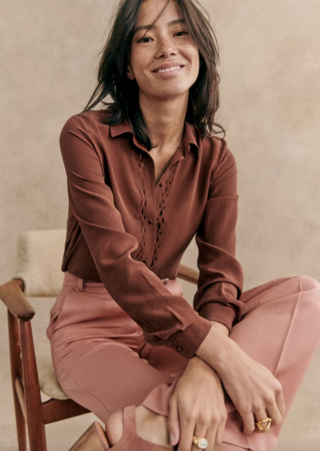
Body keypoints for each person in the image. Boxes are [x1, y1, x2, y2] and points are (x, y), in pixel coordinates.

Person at [46, 0, 320, 450]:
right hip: (92, 329)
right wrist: (223, 356)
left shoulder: (216, 159)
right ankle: (145, 430)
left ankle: (128, 433)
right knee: (206, 433)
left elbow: (220, 275)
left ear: (199, 51)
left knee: (305, 296)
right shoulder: (83, 135)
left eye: (180, 33)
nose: (166, 48)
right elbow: (116, 264)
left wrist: (205, 365)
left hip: (176, 330)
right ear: (128, 66)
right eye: (145, 38)